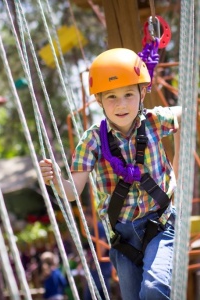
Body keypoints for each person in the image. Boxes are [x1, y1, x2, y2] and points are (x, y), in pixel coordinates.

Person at [39, 48, 181, 300]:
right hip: (123, 237)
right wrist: (56, 179)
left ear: (142, 92)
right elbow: (72, 192)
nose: (121, 104)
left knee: (153, 290)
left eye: (128, 94)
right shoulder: (92, 140)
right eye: (111, 97)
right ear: (99, 101)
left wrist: (179, 157)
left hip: (161, 225)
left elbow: (183, 113)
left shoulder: (154, 121)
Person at [83, 209, 112, 300]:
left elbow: (102, 246)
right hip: (99, 264)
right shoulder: (94, 228)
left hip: (102, 264)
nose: (85, 220)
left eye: (85, 217)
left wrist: (95, 262)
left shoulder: (98, 227)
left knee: (96, 293)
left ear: (90, 216)